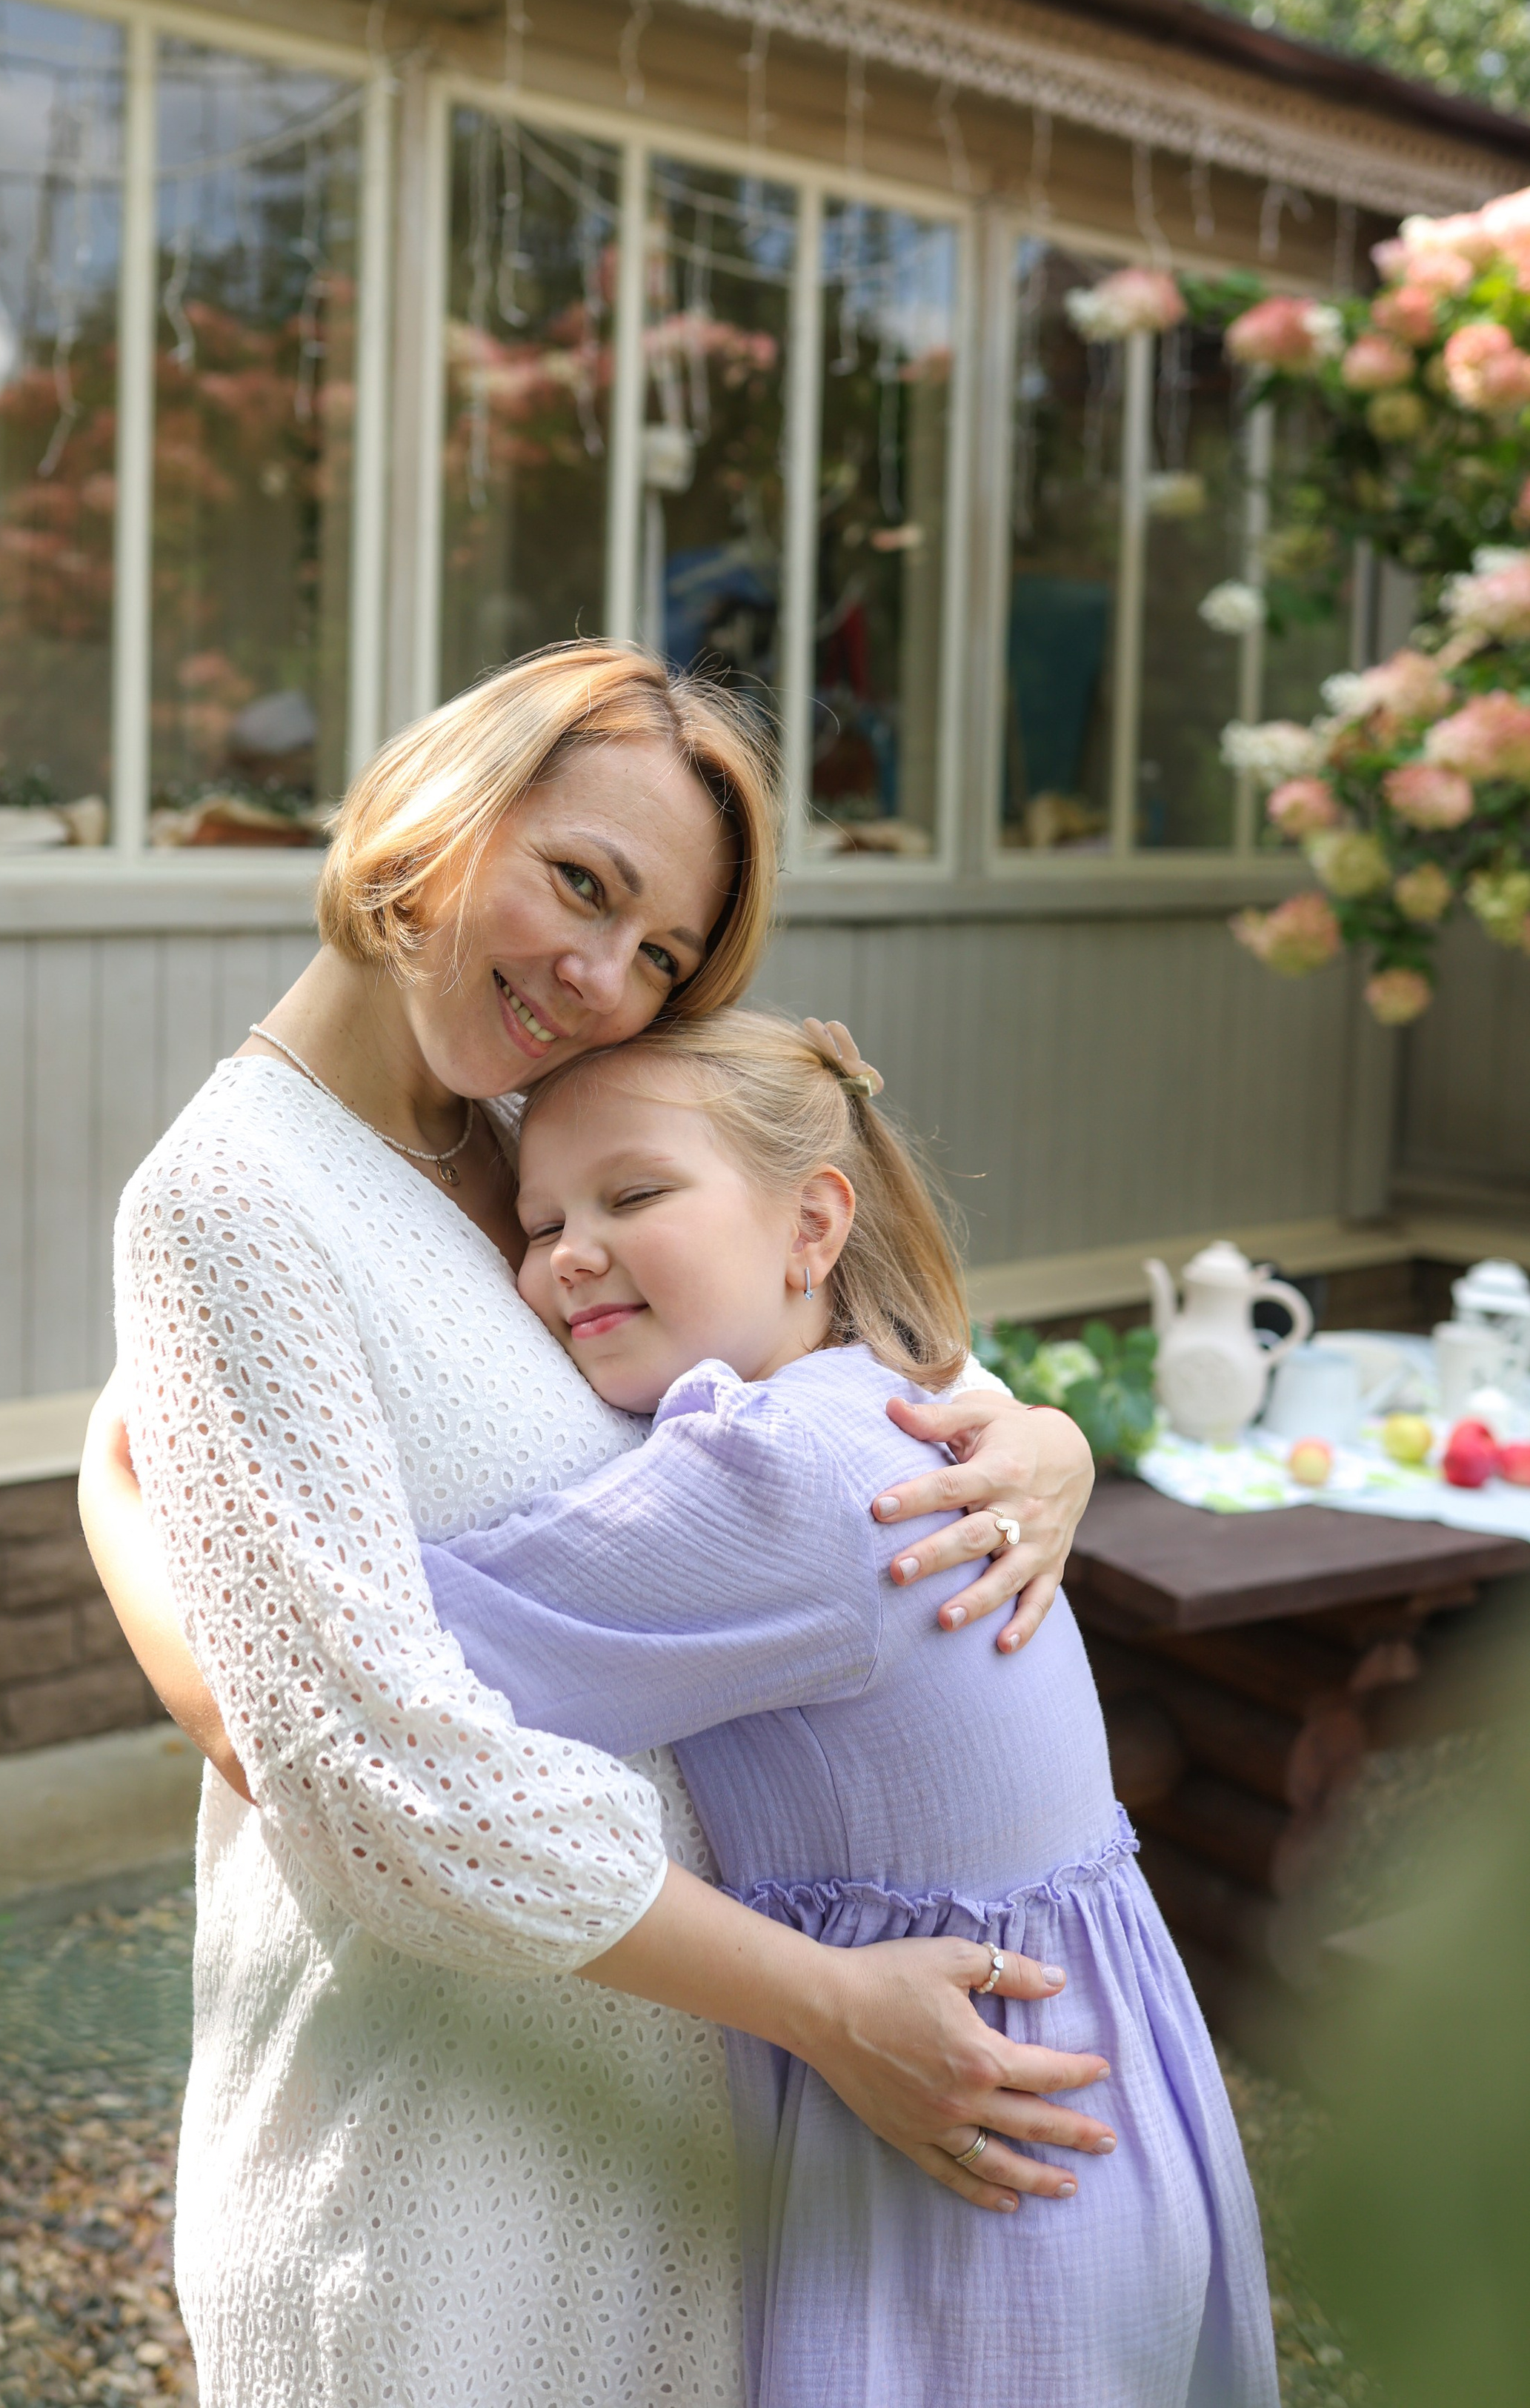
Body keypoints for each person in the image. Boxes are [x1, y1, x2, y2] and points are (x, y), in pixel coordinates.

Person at [81, 642, 1108, 2408]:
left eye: (657, 955)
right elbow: (370, 1774)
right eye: (581, 884)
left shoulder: (529, 1142)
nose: (596, 976)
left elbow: (806, 1370)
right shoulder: (230, 1200)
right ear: (445, 801)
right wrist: (820, 2006)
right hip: (446, 2118)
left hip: (691, 2086)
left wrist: (1035, 1433)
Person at [416, 1008, 1277, 2408]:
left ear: (812, 1223)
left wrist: (127, 1492)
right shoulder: (889, 1402)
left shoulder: (784, 1479)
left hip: (968, 2154)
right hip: (1092, 2088)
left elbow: (377, 1656)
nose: (567, 1252)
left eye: (633, 1195)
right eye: (536, 1222)